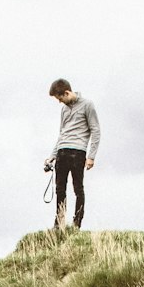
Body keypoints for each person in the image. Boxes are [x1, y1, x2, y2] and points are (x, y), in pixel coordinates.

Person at [45, 79, 100, 228]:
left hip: (78, 151)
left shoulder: (88, 105)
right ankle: (59, 223)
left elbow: (95, 130)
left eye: (60, 98)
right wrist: (53, 155)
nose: (59, 102)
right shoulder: (64, 110)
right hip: (62, 151)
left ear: (67, 92)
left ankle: (77, 223)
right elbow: (61, 133)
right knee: (60, 189)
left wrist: (91, 156)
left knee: (78, 188)